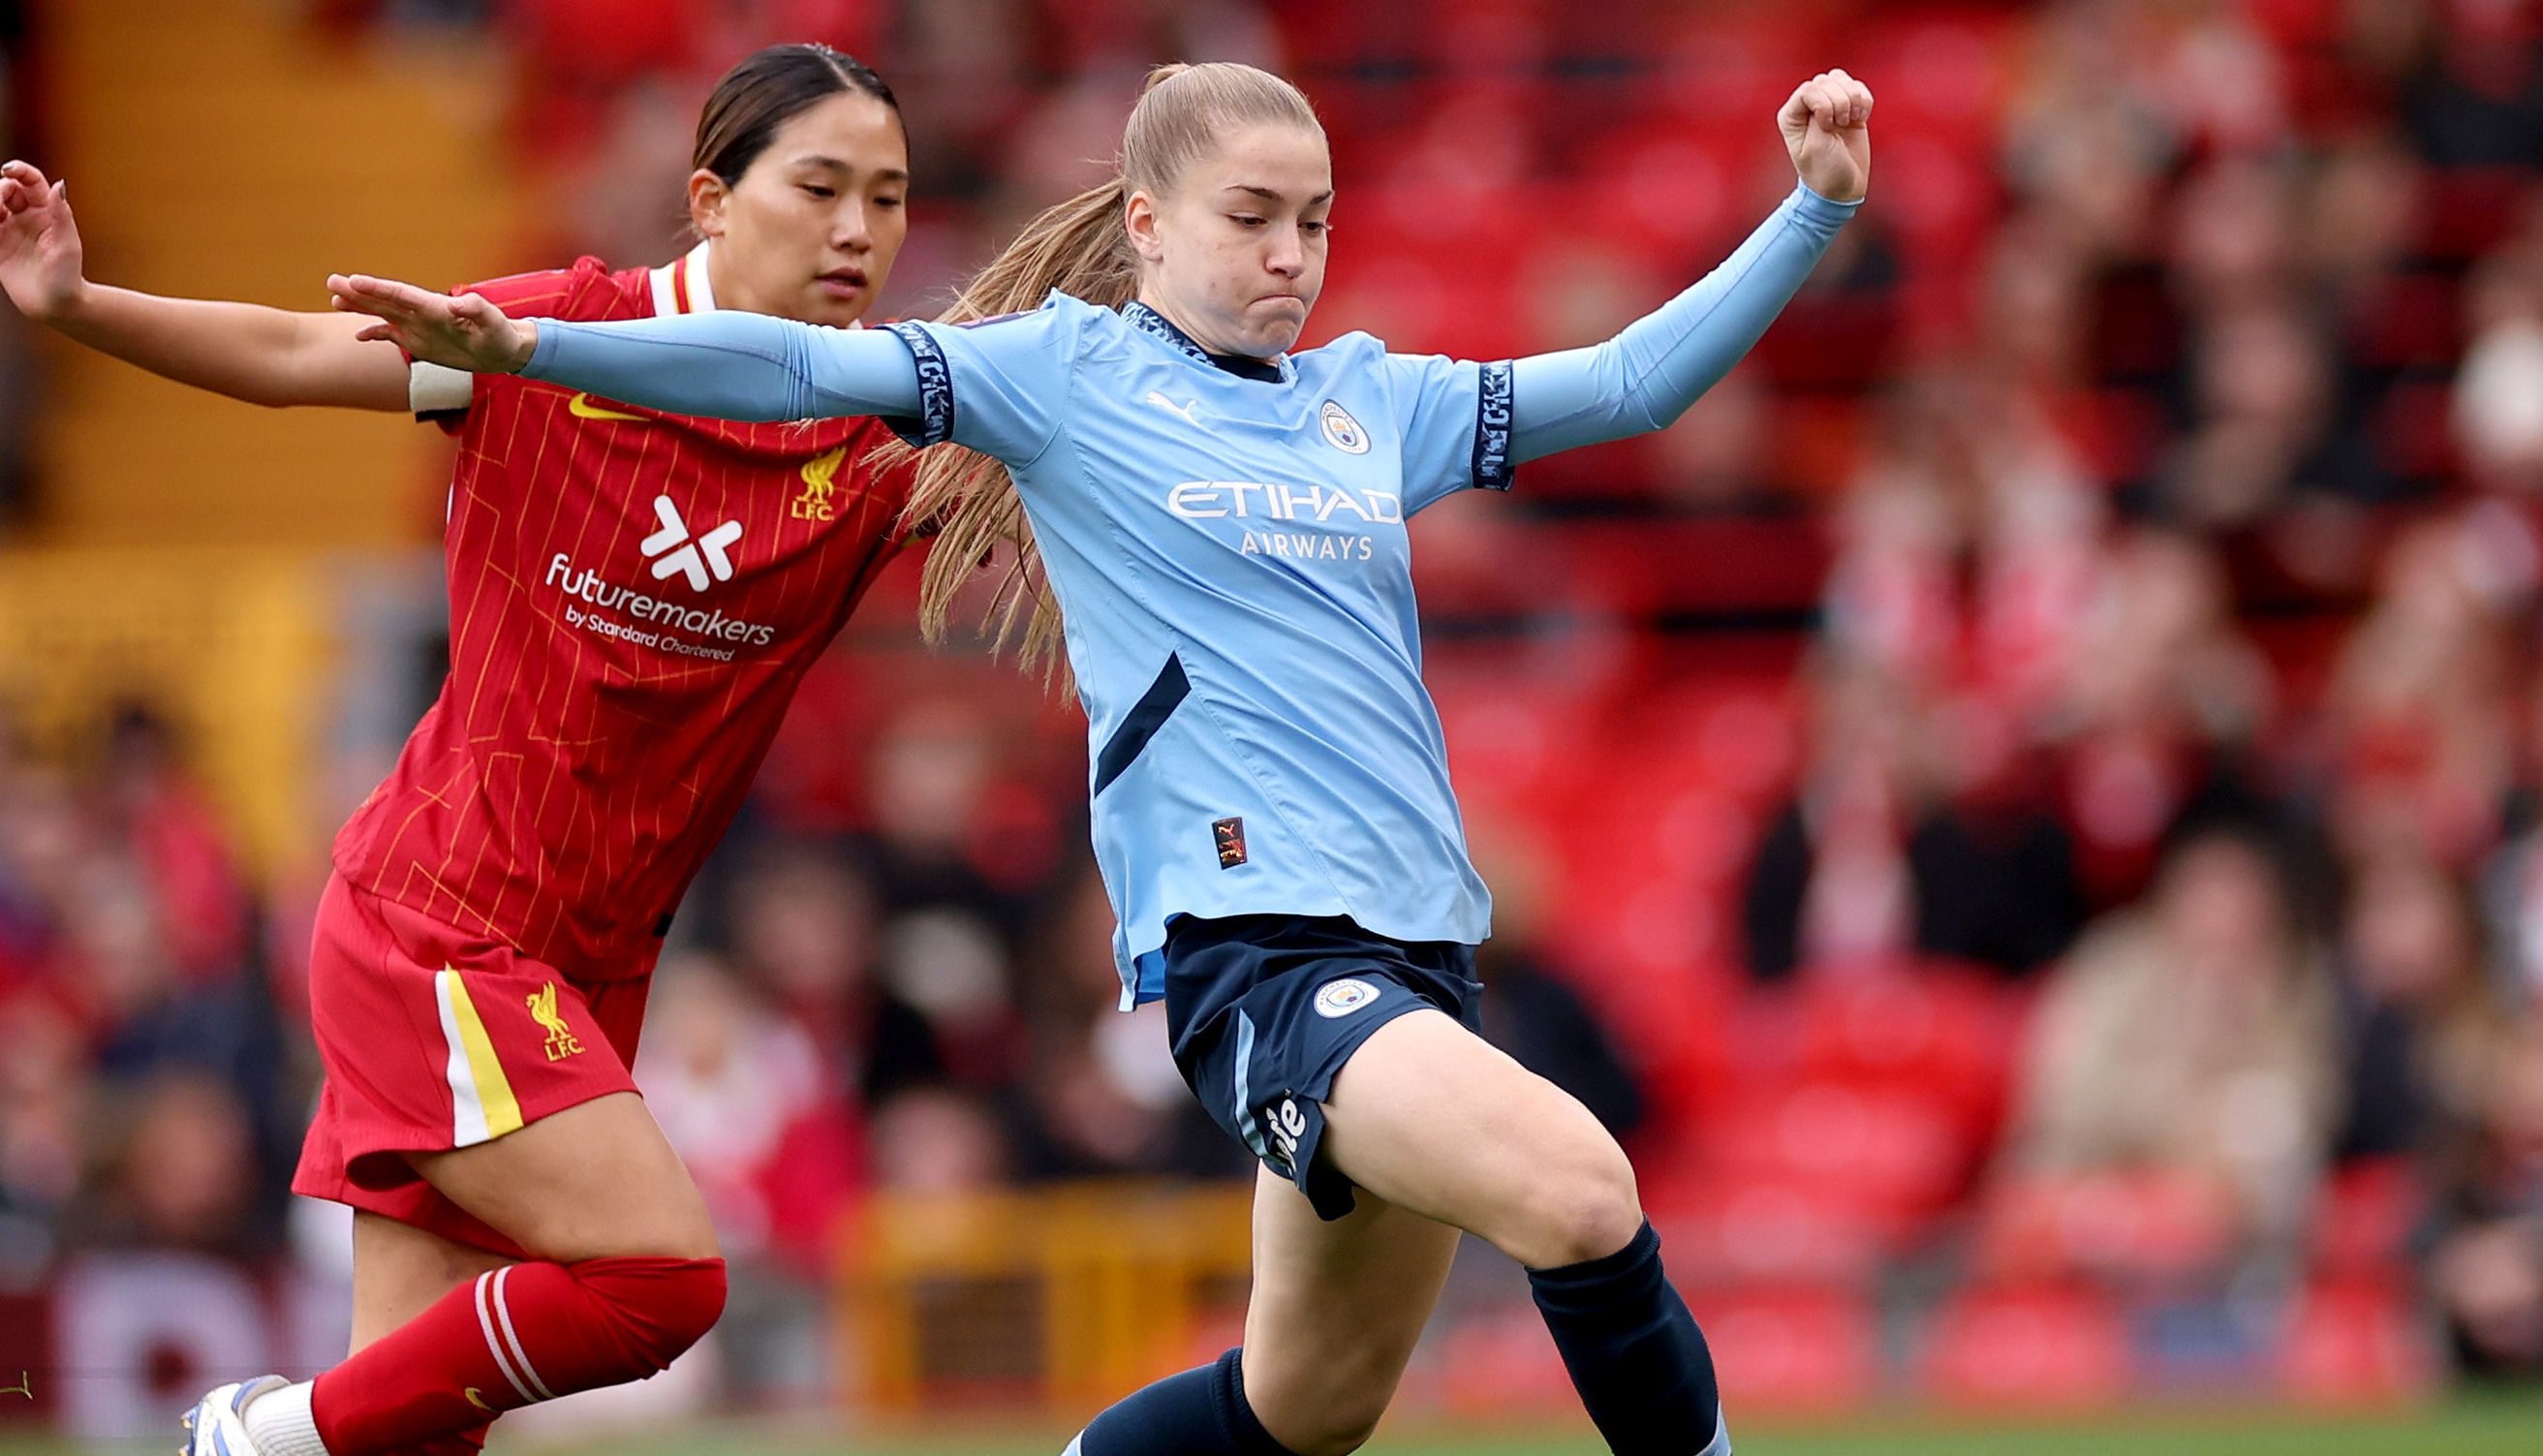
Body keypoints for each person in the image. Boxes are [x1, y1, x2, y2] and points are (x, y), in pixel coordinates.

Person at [338, 60, 1872, 1456]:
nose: (1289, 255)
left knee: (1304, 1411)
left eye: (1314, 222)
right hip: (1263, 960)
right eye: (1251, 217)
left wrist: (1811, 209)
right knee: (1583, 1193)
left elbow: (1633, 384)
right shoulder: (1063, 373)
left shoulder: (1371, 401)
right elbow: (799, 373)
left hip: (1420, 958)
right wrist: (539, 349)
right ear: (1147, 223)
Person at [0, 42, 919, 1456]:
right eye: (820, 186)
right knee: (662, 1278)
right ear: (710, 200)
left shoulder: (887, 435)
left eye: (890, 197)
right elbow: (294, 356)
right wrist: (71, 304)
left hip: (590, 963)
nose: (858, 229)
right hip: (442, 926)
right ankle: (262, 1435)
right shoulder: (548, 342)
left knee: (418, 1435)